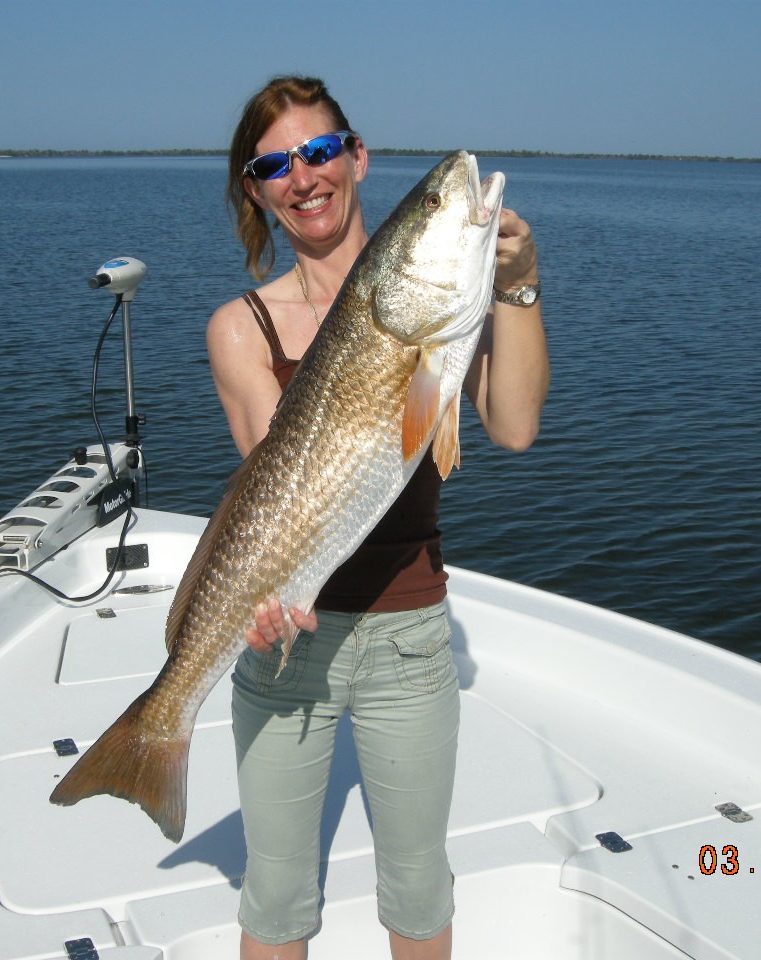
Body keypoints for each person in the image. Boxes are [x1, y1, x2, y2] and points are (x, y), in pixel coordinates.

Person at [206, 76, 549, 960]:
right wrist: (259, 603)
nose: (304, 176)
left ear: (356, 157)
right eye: (275, 164)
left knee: (419, 895)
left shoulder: (439, 311)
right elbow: (266, 495)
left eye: (320, 151)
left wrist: (518, 288)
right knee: (275, 899)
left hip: (410, 636)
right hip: (288, 647)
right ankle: (154, 732)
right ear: (257, 189)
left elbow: (510, 427)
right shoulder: (240, 328)